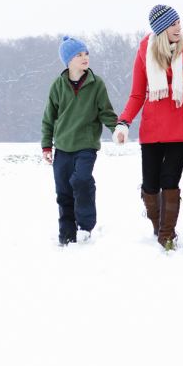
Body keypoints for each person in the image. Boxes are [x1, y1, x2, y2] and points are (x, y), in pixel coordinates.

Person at [113, 5, 183, 250]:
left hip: (180, 128)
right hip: (152, 131)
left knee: (169, 180)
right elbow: (137, 94)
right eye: (173, 24)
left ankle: (167, 235)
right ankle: (157, 225)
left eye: (179, 22)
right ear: (161, 29)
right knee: (150, 185)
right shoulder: (145, 52)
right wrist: (123, 122)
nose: (178, 27)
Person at [41, 36, 120, 245]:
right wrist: (46, 146)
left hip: (86, 145)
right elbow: (49, 118)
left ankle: (85, 226)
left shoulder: (96, 84)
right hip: (63, 147)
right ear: (68, 61)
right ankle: (66, 235)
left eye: (86, 54)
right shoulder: (57, 85)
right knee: (63, 191)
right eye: (79, 55)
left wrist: (117, 129)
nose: (85, 58)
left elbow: (106, 112)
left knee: (81, 180)